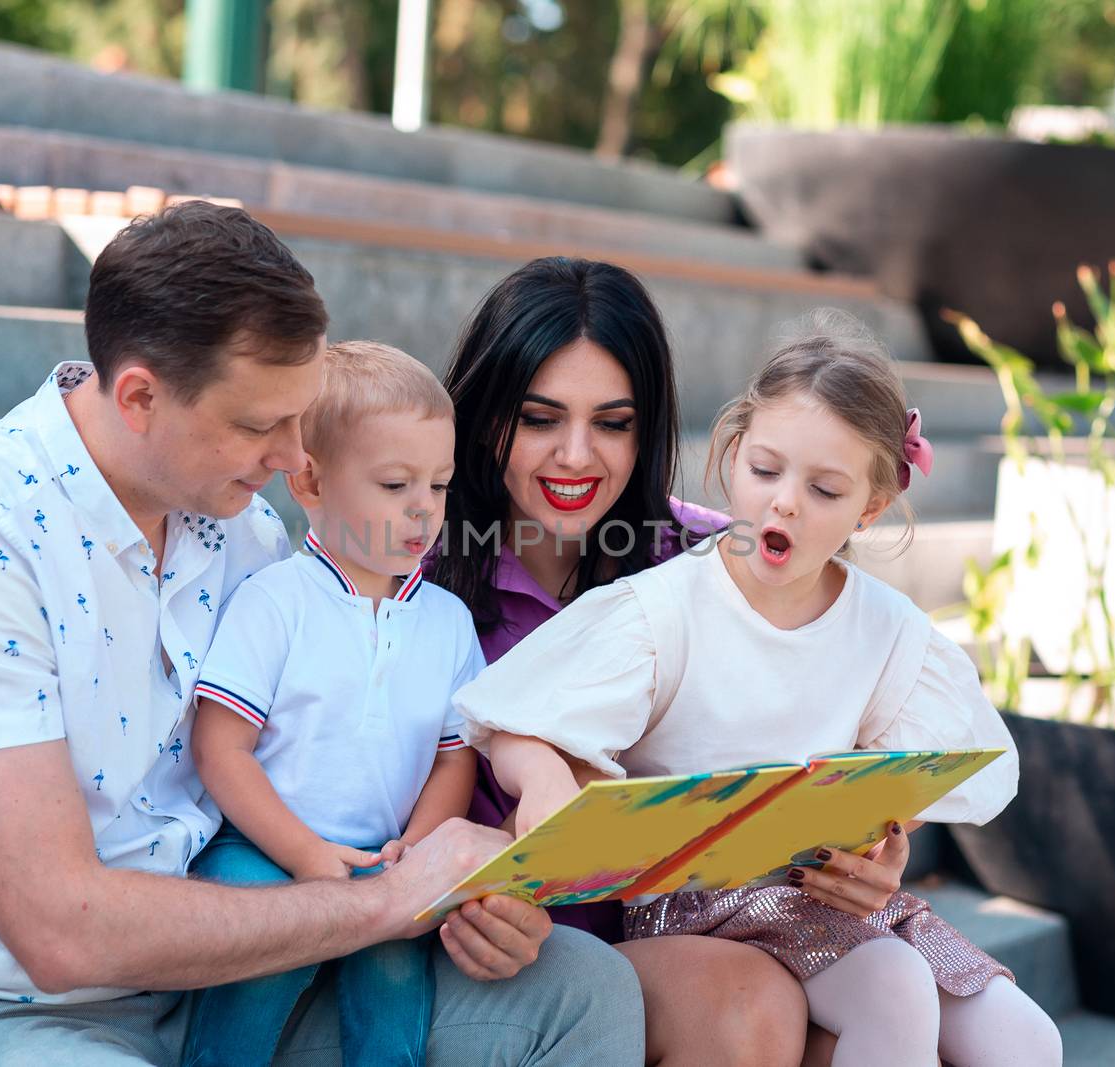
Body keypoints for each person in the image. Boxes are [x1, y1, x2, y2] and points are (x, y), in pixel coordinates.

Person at [0, 203, 643, 1066]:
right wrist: (390, 899)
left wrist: (470, 899)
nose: (295, 455)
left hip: (209, 978)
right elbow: (61, 932)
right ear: (140, 395)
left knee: (581, 992)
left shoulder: (244, 534)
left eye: (300, 416)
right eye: (261, 424)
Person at [454, 311, 1065, 1067]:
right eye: (766, 471)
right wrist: (544, 785)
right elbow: (511, 713)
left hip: (822, 897)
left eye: (825, 489)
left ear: (869, 508)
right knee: (896, 988)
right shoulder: (667, 606)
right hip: (697, 906)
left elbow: (933, 770)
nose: (784, 503)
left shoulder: (886, 628)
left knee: (1029, 1040)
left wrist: (882, 842)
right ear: (733, 453)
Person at [431, 256, 814, 1066]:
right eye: (539, 419)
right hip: (493, 948)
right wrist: (470, 904)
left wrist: (866, 852)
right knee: (745, 1006)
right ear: (485, 412)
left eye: (613, 422)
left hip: (692, 922)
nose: (577, 456)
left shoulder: (714, 558)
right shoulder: (412, 570)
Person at [184, 341, 481, 1067]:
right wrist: (305, 856)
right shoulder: (276, 601)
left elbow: (455, 754)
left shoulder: (447, 621)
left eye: (439, 485)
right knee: (264, 950)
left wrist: (416, 849)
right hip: (261, 848)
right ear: (310, 480)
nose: (424, 509)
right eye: (394, 484)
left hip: (383, 861)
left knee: (395, 974)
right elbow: (220, 748)